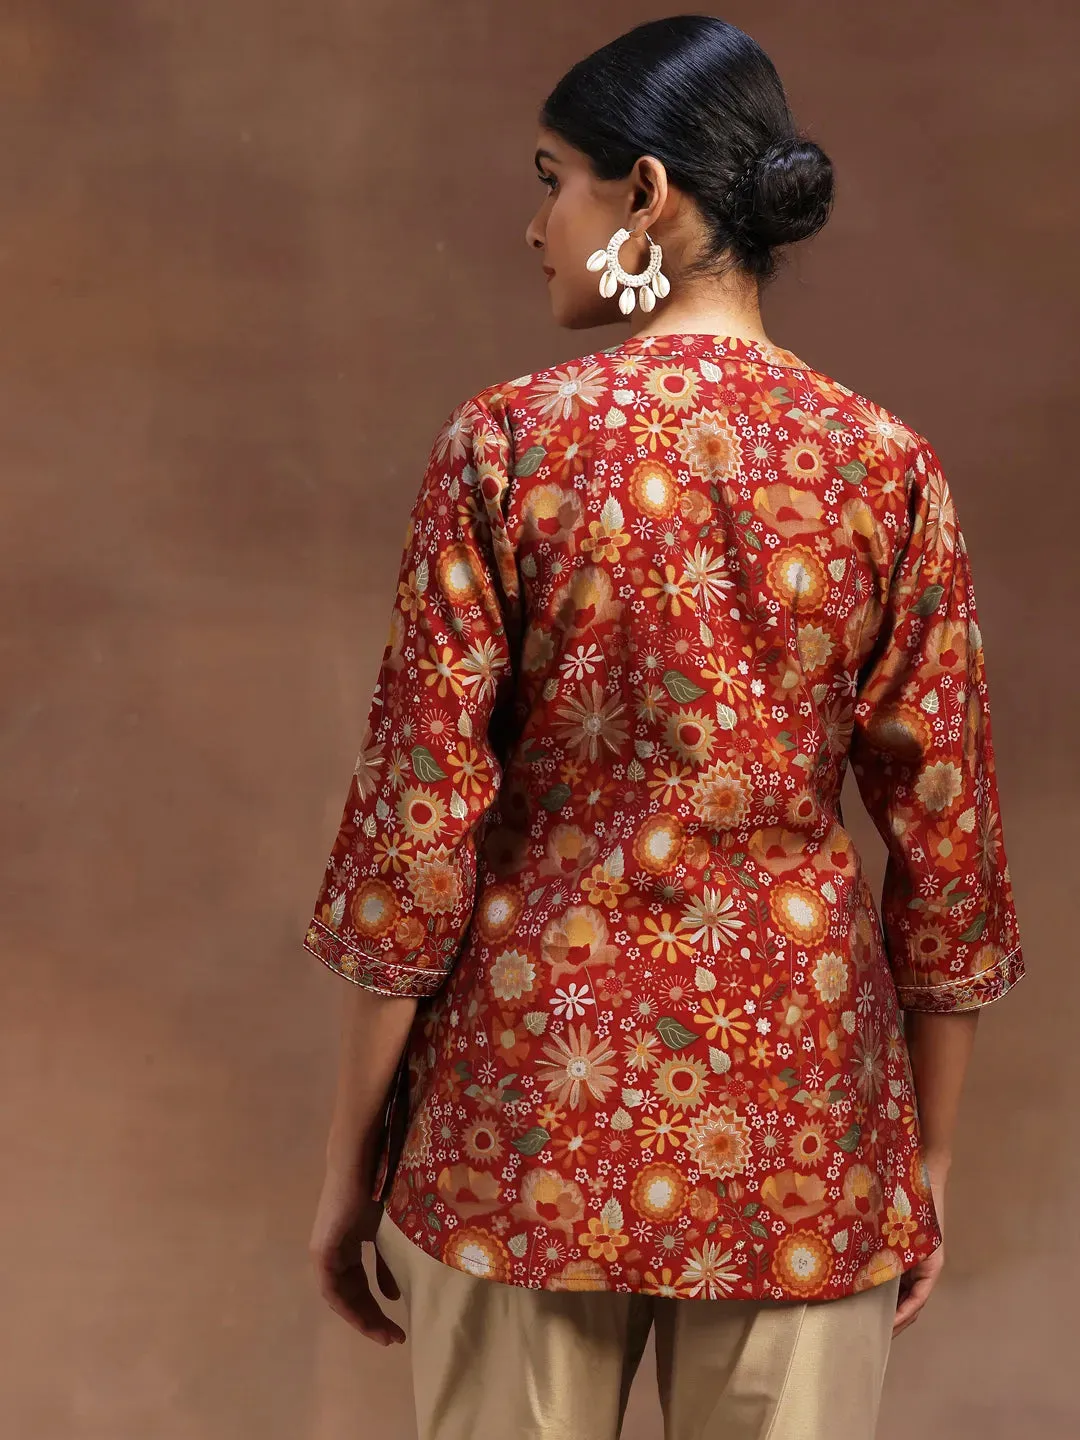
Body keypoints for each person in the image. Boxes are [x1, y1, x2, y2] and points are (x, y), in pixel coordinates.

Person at [303, 15, 1025, 1440]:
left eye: (552, 181)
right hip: (803, 1132)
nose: (535, 228)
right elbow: (949, 853)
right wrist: (927, 1157)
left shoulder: (507, 447)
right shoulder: (883, 467)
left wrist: (350, 1165)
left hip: (523, 1125)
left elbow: (412, 838)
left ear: (644, 192)